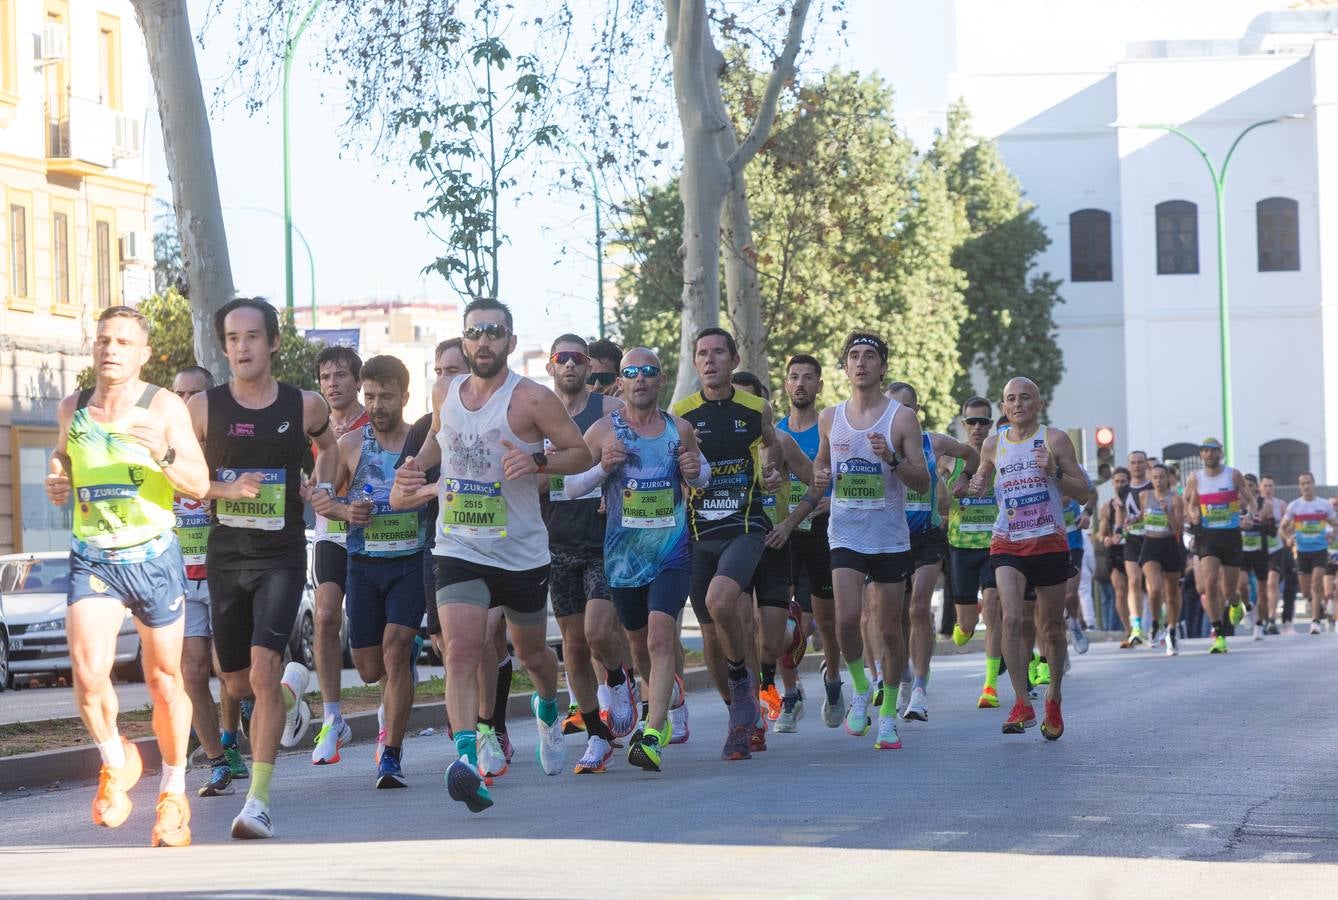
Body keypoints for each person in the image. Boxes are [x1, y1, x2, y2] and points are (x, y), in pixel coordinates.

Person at [390, 298, 592, 813]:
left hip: (521, 552)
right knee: (460, 649)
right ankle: (467, 759)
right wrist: (416, 465)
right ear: (463, 341)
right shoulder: (445, 391)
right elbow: (441, 439)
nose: (484, 341)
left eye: (494, 332)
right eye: (475, 332)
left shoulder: (532, 399)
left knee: (530, 655)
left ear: (510, 341)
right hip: (457, 544)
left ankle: (548, 704)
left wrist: (537, 459)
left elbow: (581, 454)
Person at [45, 306, 211, 848]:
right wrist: (58, 480)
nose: (110, 349)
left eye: (122, 341)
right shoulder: (73, 409)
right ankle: (117, 761)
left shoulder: (163, 407)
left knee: (165, 680)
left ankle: (173, 791)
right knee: (88, 671)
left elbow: (200, 483)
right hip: (94, 556)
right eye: (102, 340)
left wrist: (161, 452)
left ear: (143, 354)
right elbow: (63, 463)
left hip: (154, 556)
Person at [187, 297, 340, 838]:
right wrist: (220, 488)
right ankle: (294, 693)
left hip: (279, 556)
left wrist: (321, 485)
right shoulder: (202, 409)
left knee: (261, 670)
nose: (243, 347)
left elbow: (329, 450)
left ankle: (258, 799)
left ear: (273, 343)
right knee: (236, 682)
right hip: (227, 555)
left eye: (253, 336)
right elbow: (175, 471)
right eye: (233, 338)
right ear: (224, 346)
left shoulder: (305, 405)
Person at [561, 348, 706, 771]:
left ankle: (652, 732)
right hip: (624, 557)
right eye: (631, 373)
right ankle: (655, 693)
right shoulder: (605, 430)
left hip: (671, 550)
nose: (640, 379)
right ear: (619, 382)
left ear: (660, 380)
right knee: (640, 646)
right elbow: (570, 487)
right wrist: (602, 469)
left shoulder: (680, 429)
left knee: (662, 637)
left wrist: (695, 470)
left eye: (647, 372)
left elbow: (702, 472)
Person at [312, 355, 431, 788]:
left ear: (405, 396)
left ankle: (391, 757)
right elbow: (321, 500)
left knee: (396, 649)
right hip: (363, 564)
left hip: (411, 561)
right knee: (367, 667)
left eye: (386, 396)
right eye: (371, 396)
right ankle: (397, 678)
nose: (377, 404)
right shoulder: (350, 445)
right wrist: (346, 510)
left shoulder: (423, 443)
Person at [670, 328, 784, 761]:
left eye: (719, 352)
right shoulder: (680, 415)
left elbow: (773, 447)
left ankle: (742, 690)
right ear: (696, 362)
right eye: (702, 353)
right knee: (713, 634)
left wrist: (771, 473)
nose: (710, 359)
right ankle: (741, 714)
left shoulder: (756, 408)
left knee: (722, 601)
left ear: (734, 360)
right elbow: (672, 474)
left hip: (746, 526)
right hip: (700, 535)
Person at [813, 331, 928, 751]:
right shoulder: (830, 418)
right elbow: (821, 468)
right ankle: (861, 686)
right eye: (853, 357)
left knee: (890, 631)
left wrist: (892, 460)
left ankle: (887, 716)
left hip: (889, 538)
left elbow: (922, 482)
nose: (861, 363)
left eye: (869, 356)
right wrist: (820, 477)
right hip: (845, 532)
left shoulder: (901, 419)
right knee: (846, 621)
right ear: (845, 367)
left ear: (883, 366)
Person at [969, 376, 1091, 740]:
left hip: (1049, 540)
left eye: (1025, 398)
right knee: (1009, 618)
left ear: (1038, 403)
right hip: (1007, 541)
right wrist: (974, 484)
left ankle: (1053, 697)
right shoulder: (993, 445)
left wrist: (1052, 472)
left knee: (1050, 627)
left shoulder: (1054, 440)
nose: (1018, 404)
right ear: (1003, 408)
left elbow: (1083, 492)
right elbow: (981, 477)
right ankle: (1022, 701)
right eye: (1010, 399)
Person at [540, 334, 636, 774]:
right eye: (563, 359)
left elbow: (640, 454)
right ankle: (598, 736)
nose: (572, 366)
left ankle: (618, 680)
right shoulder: (537, 417)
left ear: (589, 367)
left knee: (599, 632)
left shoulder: (609, 413)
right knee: (574, 647)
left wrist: (614, 479)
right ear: (551, 366)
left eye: (579, 359)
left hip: (603, 540)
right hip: (556, 544)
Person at [171, 366, 248, 799]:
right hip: (181, 580)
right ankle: (218, 761)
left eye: (194, 394)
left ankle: (232, 736)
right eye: (178, 393)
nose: (185, 403)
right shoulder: (162, 454)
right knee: (193, 672)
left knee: (230, 671)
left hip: (225, 575)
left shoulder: (226, 449)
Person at [885, 382, 976, 723]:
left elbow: (972, 455)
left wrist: (964, 478)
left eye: (904, 409)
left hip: (926, 537)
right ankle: (902, 678)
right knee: (888, 617)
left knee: (919, 607)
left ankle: (920, 689)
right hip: (888, 537)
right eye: (891, 408)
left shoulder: (932, 443)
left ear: (916, 412)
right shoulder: (874, 443)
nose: (897, 415)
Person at [732, 372, 811, 742]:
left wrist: (791, 523)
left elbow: (819, 485)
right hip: (733, 546)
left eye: (751, 403)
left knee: (772, 641)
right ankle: (755, 708)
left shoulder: (783, 443)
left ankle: (771, 670)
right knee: (743, 628)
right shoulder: (719, 445)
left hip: (775, 545)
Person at [308, 346, 369, 766]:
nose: (333, 383)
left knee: (378, 647)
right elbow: (308, 478)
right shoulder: (314, 427)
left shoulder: (375, 419)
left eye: (341, 375)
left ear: (357, 380)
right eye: (326, 377)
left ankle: (391, 706)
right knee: (327, 616)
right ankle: (333, 717)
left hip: (375, 536)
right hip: (330, 533)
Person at [776, 354, 842, 730]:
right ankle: (791, 693)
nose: (800, 383)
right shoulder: (777, 433)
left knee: (826, 622)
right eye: (794, 377)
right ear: (786, 385)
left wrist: (833, 500)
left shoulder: (830, 429)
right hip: (784, 530)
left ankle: (833, 680)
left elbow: (848, 478)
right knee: (780, 616)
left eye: (808, 378)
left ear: (819, 386)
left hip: (824, 529)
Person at [942, 397, 1004, 708]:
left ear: (991, 424)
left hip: (995, 546)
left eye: (984, 422)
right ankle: (962, 626)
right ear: (963, 424)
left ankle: (990, 685)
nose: (978, 427)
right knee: (965, 629)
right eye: (972, 422)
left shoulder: (1000, 455)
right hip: (960, 548)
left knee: (993, 608)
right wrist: (948, 493)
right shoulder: (950, 459)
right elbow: (934, 495)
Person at [1182, 438, 1256, 654]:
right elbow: (1188, 503)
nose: (1209, 455)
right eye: (1205, 451)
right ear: (1201, 455)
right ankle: (1219, 634)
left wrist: (1248, 515)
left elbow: (1250, 500)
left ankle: (1235, 602)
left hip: (1231, 536)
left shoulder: (1233, 474)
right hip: (1208, 537)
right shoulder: (1195, 478)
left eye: (1213, 451)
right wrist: (1193, 514)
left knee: (1229, 589)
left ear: (1220, 453)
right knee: (1210, 583)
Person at [1279, 472, 1338, 635]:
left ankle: (1315, 622)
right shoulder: (1294, 506)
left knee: (1316, 583)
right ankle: (1318, 606)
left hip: (1320, 550)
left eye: (1308, 483)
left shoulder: (1324, 505)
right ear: (1300, 486)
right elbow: (1282, 528)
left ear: (1313, 484)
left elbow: (1335, 524)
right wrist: (1288, 539)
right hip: (1302, 552)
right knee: (1306, 592)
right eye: (1302, 483)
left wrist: (1333, 535)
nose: (1306, 486)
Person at [1137, 464, 1186, 656]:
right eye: (1155, 477)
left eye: (1161, 477)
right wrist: (1133, 520)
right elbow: (1143, 516)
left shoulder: (1175, 499)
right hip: (1150, 545)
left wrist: (1167, 513)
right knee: (1155, 588)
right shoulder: (1144, 496)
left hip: (1170, 546)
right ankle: (1156, 623)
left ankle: (1172, 631)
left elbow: (1179, 528)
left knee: (1172, 595)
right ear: (1151, 478)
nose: (1158, 481)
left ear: (1168, 479)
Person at [1121, 451, 1153, 646]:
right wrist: (1118, 529)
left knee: (1153, 586)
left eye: (1140, 462)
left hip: (1152, 539)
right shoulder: (1123, 490)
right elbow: (1120, 514)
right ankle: (1137, 627)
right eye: (1133, 462)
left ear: (1146, 465)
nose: (1137, 466)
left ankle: (1154, 624)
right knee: (1133, 581)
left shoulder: (1153, 486)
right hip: (1132, 540)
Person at [1237, 473, 1273, 641]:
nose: (1248, 488)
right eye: (1246, 485)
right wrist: (1240, 525)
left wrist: (1258, 523)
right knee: (1241, 584)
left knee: (1262, 591)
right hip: (1242, 552)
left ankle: (1260, 624)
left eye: (1251, 485)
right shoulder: (1235, 504)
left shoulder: (1265, 505)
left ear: (1256, 487)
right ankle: (1248, 607)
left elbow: (1273, 531)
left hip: (1260, 552)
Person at [1098, 468, 1131, 638]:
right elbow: (1101, 533)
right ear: (1112, 483)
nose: (1120, 485)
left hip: (1133, 547)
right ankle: (1128, 629)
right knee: (1119, 591)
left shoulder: (1136, 501)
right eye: (1117, 481)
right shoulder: (1107, 506)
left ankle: (1140, 624)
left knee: (1135, 589)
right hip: (1115, 551)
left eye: (1123, 481)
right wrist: (1106, 539)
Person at [1259, 474, 1289, 635]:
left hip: (1276, 549)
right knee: (1262, 588)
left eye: (1271, 486)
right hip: (1260, 550)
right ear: (1260, 487)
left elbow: (1287, 525)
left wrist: (1288, 539)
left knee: (1272, 583)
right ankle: (1262, 620)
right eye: (1265, 486)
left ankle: (1272, 619)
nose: (1268, 489)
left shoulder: (1281, 505)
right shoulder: (1256, 504)